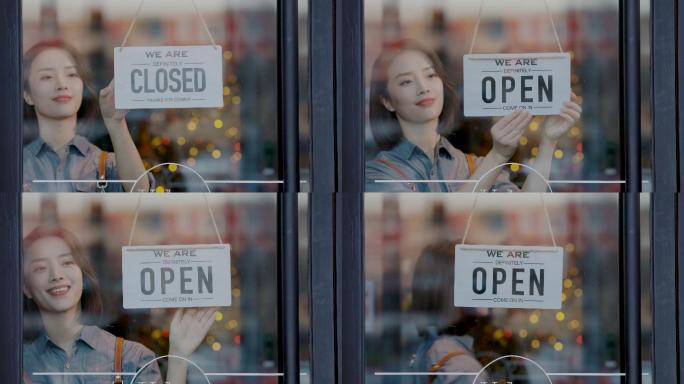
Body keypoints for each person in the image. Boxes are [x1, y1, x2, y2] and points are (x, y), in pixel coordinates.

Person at [366, 39, 582, 192]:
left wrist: (548, 141)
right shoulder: (378, 174)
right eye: (406, 81)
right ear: (387, 101)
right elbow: (452, 221)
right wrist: (497, 156)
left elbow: (527, 207)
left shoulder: (472, 165)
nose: (424, 87)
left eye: (431, 75)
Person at [22, 225, 213, 384]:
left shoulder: (132, 358)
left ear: (82, 273)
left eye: (66, 262)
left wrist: (178, 354)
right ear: (25, 287)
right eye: (40, 267)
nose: (56, 274)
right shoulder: (16, 362)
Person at [22, 40, 151, 192]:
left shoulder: (104, 163)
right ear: (27, 95)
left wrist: (116, 123)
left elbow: (140, 192)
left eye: (71, 74)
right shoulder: (11, 166)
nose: (62, 84)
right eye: (47, 76)